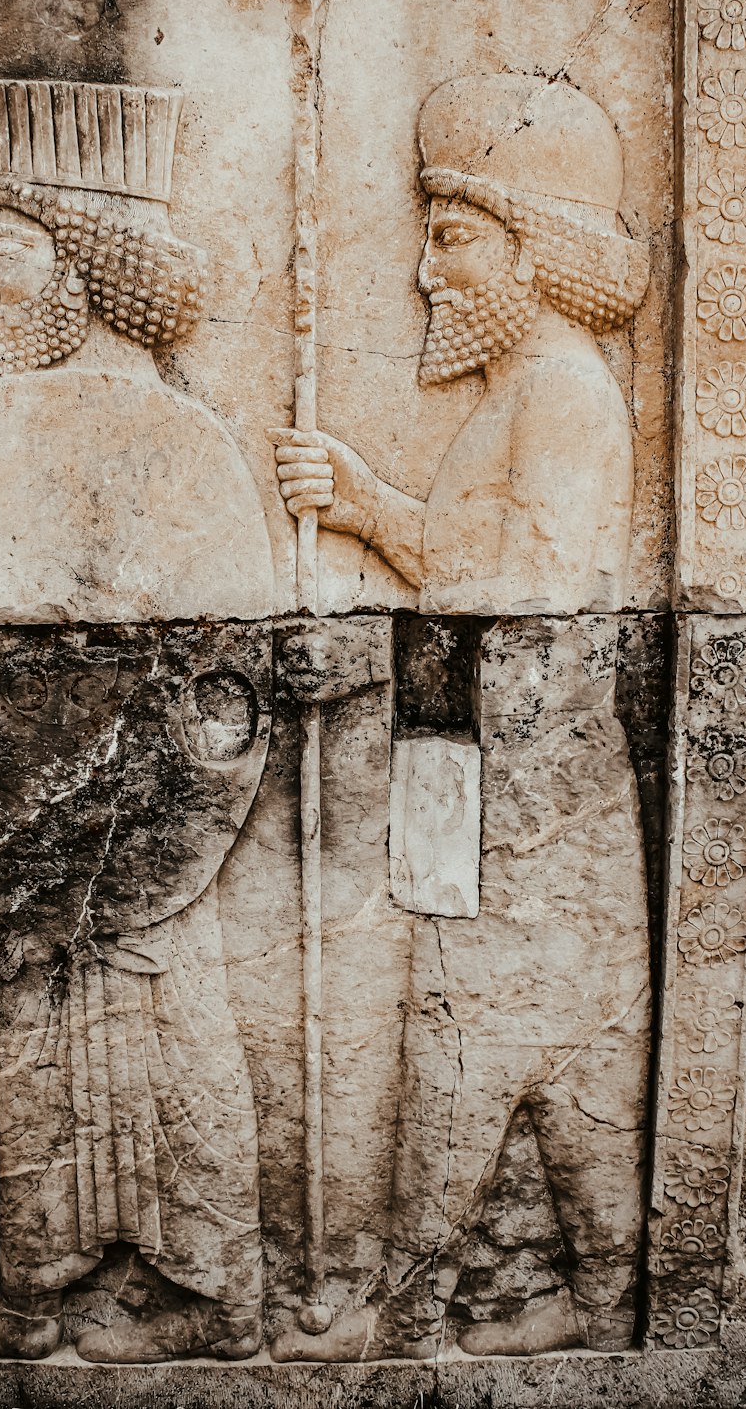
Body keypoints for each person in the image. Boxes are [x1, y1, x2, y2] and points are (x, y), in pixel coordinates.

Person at [0, 79, 273, 1362]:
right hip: (25, 844)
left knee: (179, 1037)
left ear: (85, 265)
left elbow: (229, 689)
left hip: (153, 839)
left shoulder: (190, 447)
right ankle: (46, 1279)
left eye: (9, 252)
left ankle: (211, 1286)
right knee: (33, 1037)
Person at [272, 74, 653, 1358]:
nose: (428, 274)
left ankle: (479, 1320)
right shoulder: (522, 390)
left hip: (534, 810)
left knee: (476, 1073)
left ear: (532, 245)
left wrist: (373, 506)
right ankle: (558, 1313)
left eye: (452, 234)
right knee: (495, 1069)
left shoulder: (566, 395)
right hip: (473, 781)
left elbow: (526, 588)